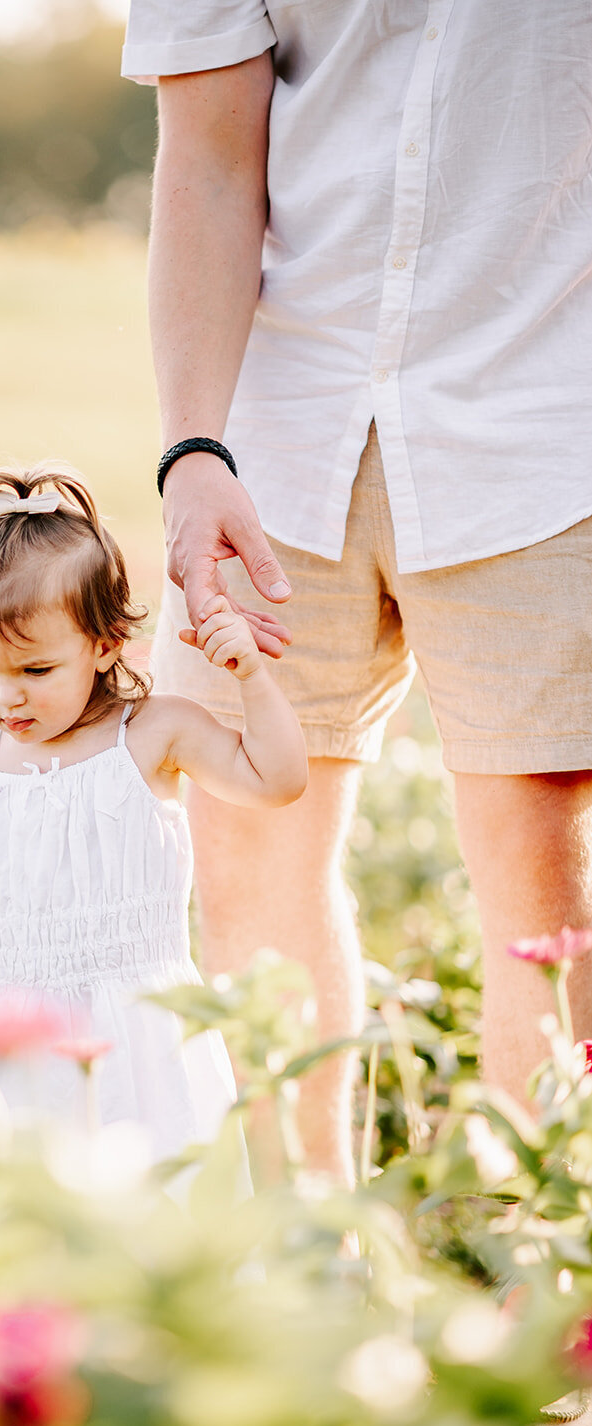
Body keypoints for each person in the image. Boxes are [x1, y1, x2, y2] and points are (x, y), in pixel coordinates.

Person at [121, 3, 592, 1184]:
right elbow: (212, 161)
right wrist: (193, 451)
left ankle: (546, 1316)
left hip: (541, 417)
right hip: (273, 426)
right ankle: (306, 1282)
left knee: (550, 901)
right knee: (244, 859)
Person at [0, 465, 307, 1161]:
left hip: (143, 1029)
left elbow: (277, 780)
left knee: (160, 1190)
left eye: (34, 672)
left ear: (104, 643)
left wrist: (251, 676)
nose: (7, 699)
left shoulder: (152, 734)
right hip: (24, 1030)